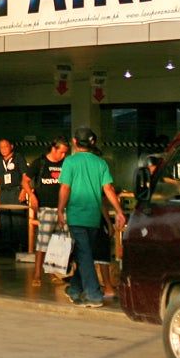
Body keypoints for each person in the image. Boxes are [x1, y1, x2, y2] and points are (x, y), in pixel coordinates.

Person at [56, 126, 126, 308]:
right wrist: (119, 211)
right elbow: (108, 189)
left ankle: (94, 295)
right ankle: (74, 290)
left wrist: (60, 210)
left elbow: (65, 188)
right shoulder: (101, 163)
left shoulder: (70, 162)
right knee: (85, 254)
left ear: (74, 142)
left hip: (76, 216)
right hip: (94, 217)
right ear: (92, 142)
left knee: (84, 254)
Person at [22, 138, 69, 280]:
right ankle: (37, 272)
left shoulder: (66, 164)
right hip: (46, 207)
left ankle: (54, 270)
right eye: (61, 152)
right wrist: (31, 195)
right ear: (54, 149)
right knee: (43, 240)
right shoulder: (40, 162)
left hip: (64, 208)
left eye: (65, 153)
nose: (63, 156)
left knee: (61, 240)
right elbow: (25, 180)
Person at [0, 137, 27, 252]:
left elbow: (25, 176)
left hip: (16, 191)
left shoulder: (18, 158)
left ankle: (22, 245)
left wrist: (24, 191)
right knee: (4, 219)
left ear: (11, 146)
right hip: (4, 192)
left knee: (18, 219)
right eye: (1, 147)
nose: (4, 149)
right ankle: (7, 245)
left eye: (6, 146)